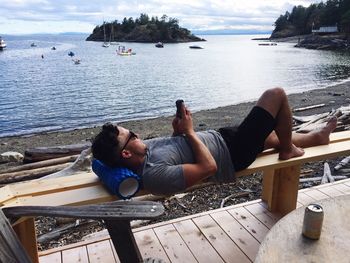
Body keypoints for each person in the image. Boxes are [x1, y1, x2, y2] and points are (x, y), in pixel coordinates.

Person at [91, 87, 337, 196]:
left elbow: (178, 151)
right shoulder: (155, 176)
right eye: (131, 135)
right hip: (233, 154)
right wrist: (189, 132)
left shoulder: (142, 151)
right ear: (125, 154)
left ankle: (316, 137)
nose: (136, 134)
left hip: (222, 138)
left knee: (270, 136)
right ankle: (288, 150)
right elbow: (209, 168)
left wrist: (178, 131)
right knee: (276, 95)